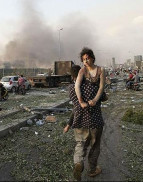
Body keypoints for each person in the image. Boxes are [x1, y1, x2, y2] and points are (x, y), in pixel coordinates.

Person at [71, 47, 105, 180]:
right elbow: (101, 89)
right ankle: (92, 169)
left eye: (87, 58)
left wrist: (84, 101)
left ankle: (78, 162)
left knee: (81, 143)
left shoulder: (99, 71)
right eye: (83, 59)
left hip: (82, 117)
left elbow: (77, 86)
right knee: (95, 145)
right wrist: (89, 101)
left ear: (92, 57)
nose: (85, 61)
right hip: (95, 117)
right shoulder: (86, 71)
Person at [63, 65, 81, 133]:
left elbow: (76, 107)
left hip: (80, 122)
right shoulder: (90, 85)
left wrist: (68, 125)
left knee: (81, 142)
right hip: (95, 122)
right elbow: (104, 98)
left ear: (72, 77)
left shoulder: (71, 88)